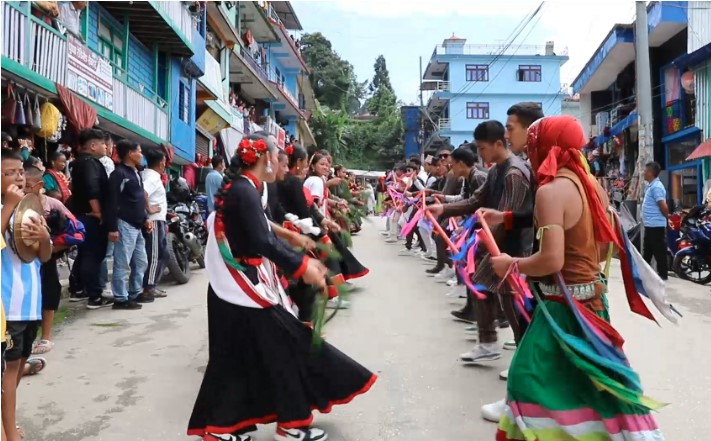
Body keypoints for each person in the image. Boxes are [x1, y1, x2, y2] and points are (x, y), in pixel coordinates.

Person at [187, 136, 376, 441]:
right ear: (265, 160)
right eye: (279, 158)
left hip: (239, 289)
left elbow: (260, 224)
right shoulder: (244, 190)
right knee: (285, 350)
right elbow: (261, 238)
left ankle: (222, 428)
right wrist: (302, 267)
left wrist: (293, 239)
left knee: (234, 360)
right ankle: (290, 424)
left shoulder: (247, 188)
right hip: (240, 290)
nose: (283, 164)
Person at [490, 115, 664, 441]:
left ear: (546, 146)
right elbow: (601, 252)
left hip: (562, 308)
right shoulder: (593, 186)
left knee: (525, 378)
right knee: (596, 389)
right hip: (593, 306)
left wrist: (510, 264)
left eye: (532, 148)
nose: (530, 156)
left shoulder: (551, 191)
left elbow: (551, 259)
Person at [428, 120, 534, 362]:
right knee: (492, 293)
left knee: (514, 305)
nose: (479, 153)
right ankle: (491, 344)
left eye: (482, 148)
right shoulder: (497, 169)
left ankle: (520, 358)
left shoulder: (513, 173)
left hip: (514, 249)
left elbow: (506, 217)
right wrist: (443, 209)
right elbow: (476, 201)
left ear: (498, 143)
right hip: (498, 246)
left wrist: (482, 250)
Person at [1, 149, 53, 441]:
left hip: (30, 304)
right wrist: (8, 205)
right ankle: (8, 431)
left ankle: (7, 420)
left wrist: (45, 238)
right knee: (7, 370)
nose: (19, 177)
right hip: (6, 306)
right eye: (10, 173)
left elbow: (42, 257)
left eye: (21, 171)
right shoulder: (6, 208)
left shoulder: (29, 210)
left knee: (19, 365)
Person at [23, 157, 85, 354]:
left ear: (39, 185)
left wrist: (53, 247)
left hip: (45, 258)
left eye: (26, 185)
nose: (22, 189)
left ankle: (46, 337)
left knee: (49, 292)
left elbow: (78, 229)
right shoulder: (9, 205)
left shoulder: (52, 204)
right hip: (20, 260)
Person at [68, 129, 113, 309]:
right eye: (103, 143)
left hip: (81, 215)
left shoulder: (78, 163)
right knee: (93, 255)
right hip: (90, 217)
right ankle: (94, 296)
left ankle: (81, 289)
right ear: (93, 146)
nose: (105, 147)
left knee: (86, 254)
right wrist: (98, 212)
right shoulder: (90, 163)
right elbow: (92, 188)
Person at [105, 139, 151, 310]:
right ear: (130, 153)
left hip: (138, 225)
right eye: (139, 150)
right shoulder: (119, 174)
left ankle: (135, 292)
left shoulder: (136, 173)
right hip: (124, 224)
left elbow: (138, 199)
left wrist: (145, 218)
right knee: (122, 263)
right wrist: (112, 227)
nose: (141, 155)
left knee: (141, 261)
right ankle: (120, 298)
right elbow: (111, 202)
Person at [141, 149, 168, 299]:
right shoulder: (152, 177)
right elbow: (143, 193)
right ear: (161, 163)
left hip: (159, 219)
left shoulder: (150, 175)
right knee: (155, 255)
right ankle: (149, 287)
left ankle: (151, 284)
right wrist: (149, 208)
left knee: (164, 254)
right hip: (154, 220)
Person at [641, 161, 669, 280]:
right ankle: (645, 273)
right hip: (650, 224)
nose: (644, 173)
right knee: (648, 250)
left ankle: (663, 275)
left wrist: (667, 218)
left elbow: (663, 206)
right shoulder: (651, 186)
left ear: (651, 173)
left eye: (645, 171)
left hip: (656, 225)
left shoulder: (656, 187)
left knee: (659, 251)